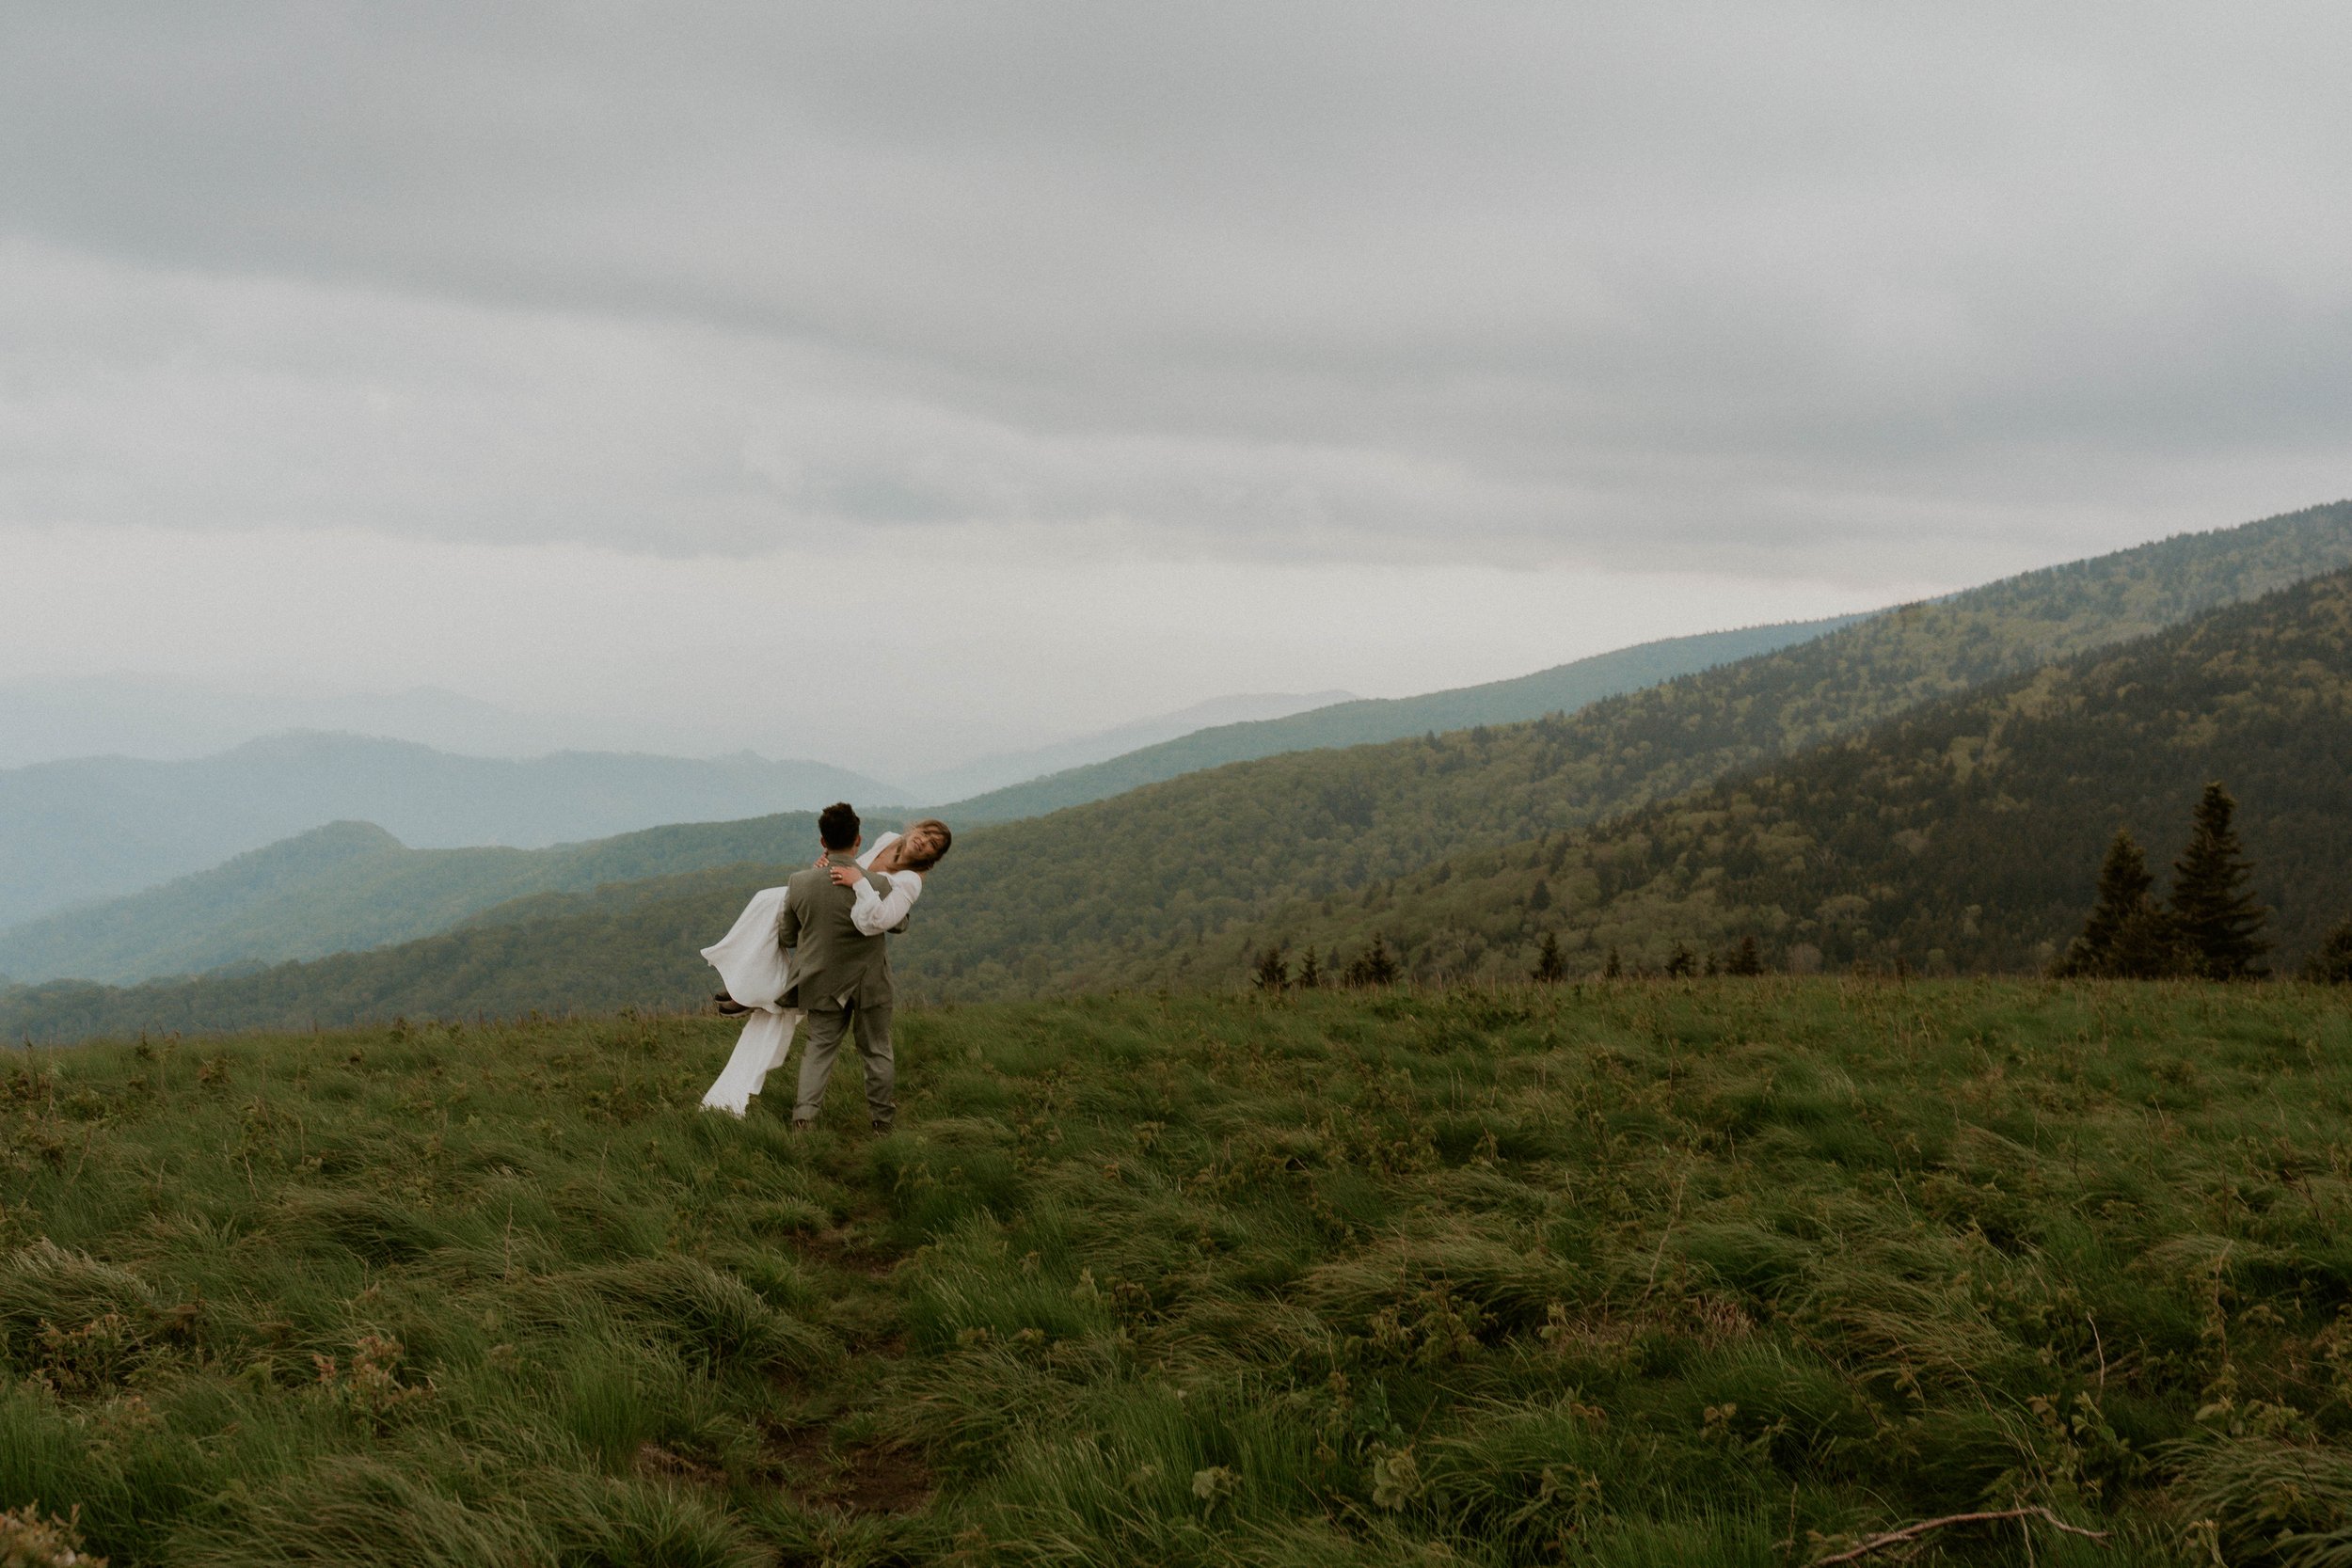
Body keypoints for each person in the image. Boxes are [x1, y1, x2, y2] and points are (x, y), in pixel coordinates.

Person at [696, 805, 951, 1120]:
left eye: (933, 845)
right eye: (925, 833)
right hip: (864, 965)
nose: (924, 842)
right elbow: (853, 870)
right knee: (872, 1049)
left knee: (824, 1048)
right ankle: (879, 1120)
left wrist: (842, 881)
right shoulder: (887, 840)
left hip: (833, 963)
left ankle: (806, 1117)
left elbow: (887, 919)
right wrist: (827, 869)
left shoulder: (909, 880)